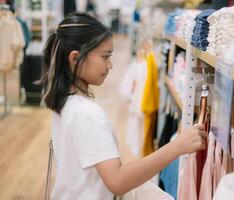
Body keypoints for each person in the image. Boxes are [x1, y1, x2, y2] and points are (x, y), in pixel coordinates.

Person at [40, 12, 207, 200]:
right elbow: (117, 182)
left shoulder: (65, 102)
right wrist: (178, 146)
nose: (110, 65)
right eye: (105, 57)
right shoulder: (87, 113)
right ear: (75, 58)